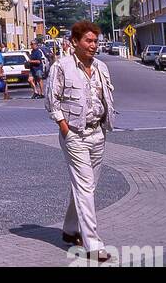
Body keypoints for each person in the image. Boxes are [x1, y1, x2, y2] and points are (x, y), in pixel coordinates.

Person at [46, 20, 116, 263]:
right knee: (85, 186)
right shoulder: (62, 67)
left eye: (95, 41)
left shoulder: (101, 67)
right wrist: (64, 128)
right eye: (88, 40)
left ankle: (69, 229)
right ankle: (93, 245)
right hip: (74, 134)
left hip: (98, 133)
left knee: (88, 187)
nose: (93, 45)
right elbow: (51, 101)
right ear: (74, 42)